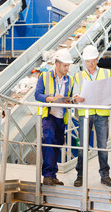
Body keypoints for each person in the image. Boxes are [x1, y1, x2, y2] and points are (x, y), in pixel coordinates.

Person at [73, 45, 111, 188]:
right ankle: (80, 176)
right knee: (82, 147)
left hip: (101, 115)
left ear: (97, 59)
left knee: (103, 147)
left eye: (93, 61)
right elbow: (75, 94)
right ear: (84, 61)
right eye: (88, 61)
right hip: (85, 114)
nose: (90, 64)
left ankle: (105, 176)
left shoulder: (106, 73)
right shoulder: (79, 75)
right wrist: (77, 98)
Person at [35, 48, 74, 186]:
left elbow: (72, 95)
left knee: (57, 144)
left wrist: (69, 101)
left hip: (61, 116)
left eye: (68, 65)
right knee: (49, 139)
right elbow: (37, 95)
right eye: (65, 65)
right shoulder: (44, 77)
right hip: (49, 115)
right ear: (57, 64)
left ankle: (53, 175)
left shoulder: (70, 79)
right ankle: (47, 175)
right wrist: (51, 98)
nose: (67, 68)